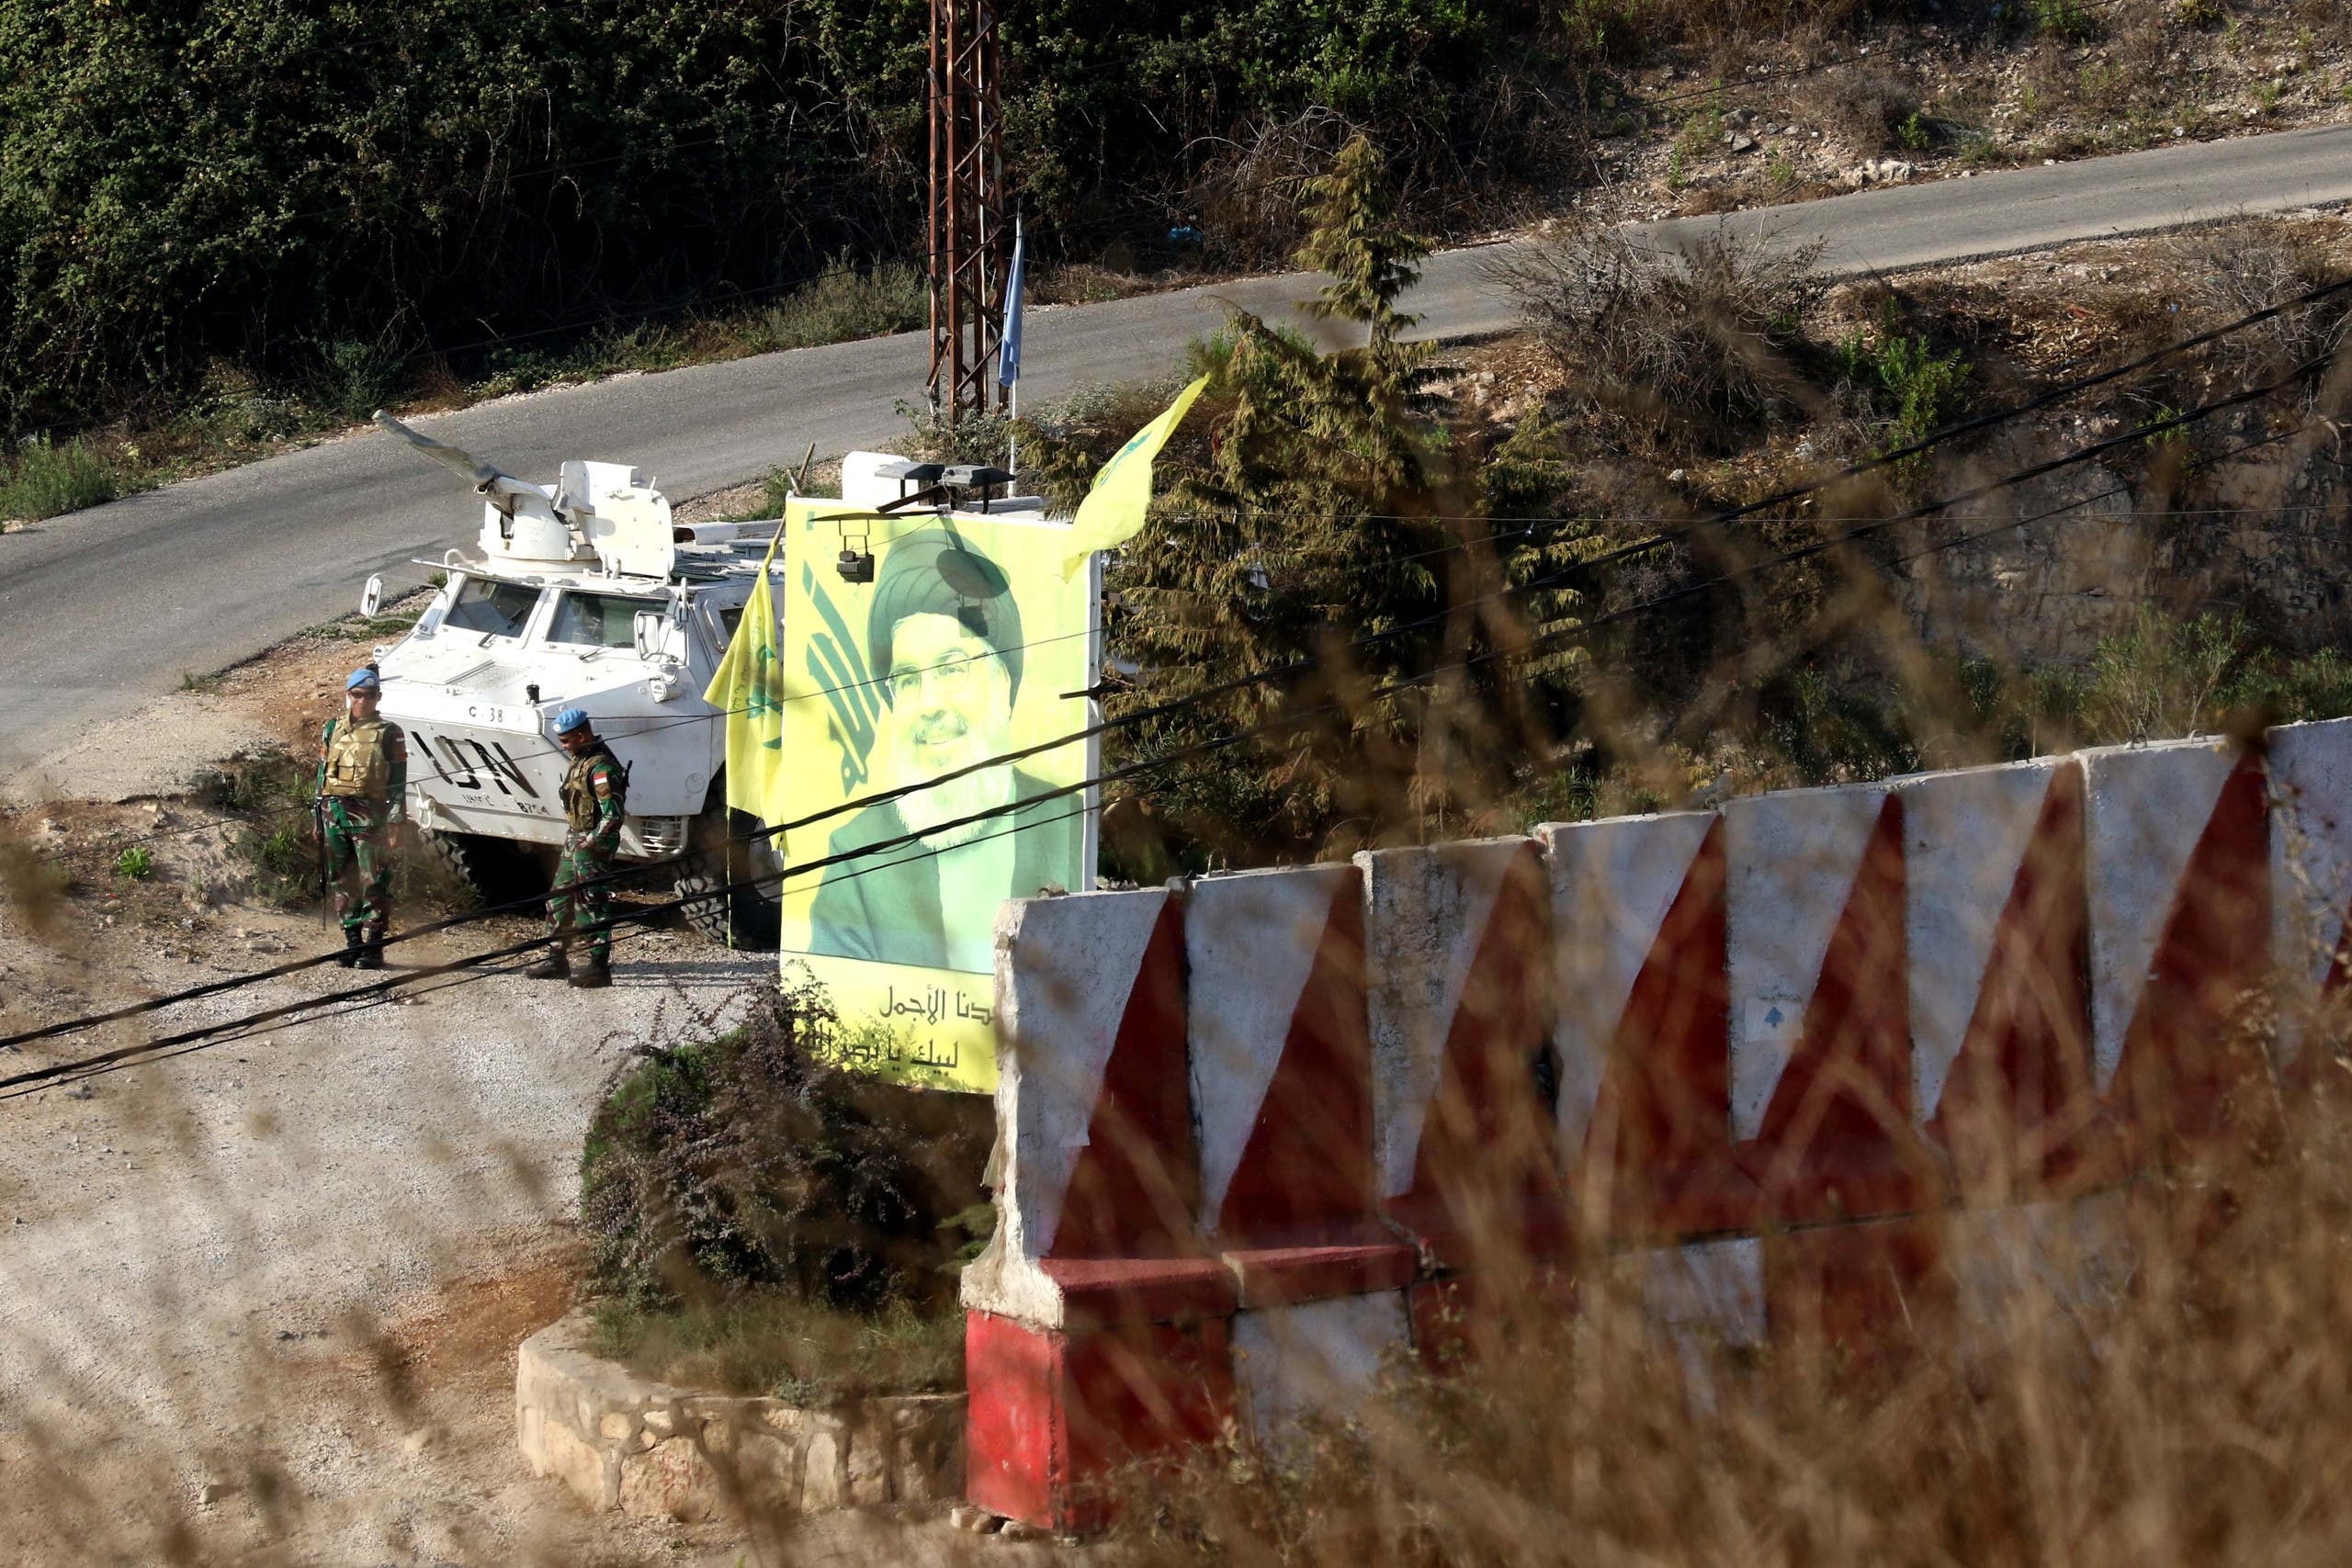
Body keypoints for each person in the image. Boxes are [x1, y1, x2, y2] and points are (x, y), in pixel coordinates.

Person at [808, 525, 1080, 971]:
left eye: (952, 670)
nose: (930, 704)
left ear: (1000, 684)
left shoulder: (1069, 826)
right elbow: (831, 1003)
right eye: (909, 679)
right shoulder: (857, 854)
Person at [527, 707, 628, 988]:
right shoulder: (579, 759)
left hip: (590, 842)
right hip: (576, 838)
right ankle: (557, 958)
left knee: (591, 903)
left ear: (582, 735)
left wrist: (591, 841)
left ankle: (598, 967)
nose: (563, 746)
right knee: (558, 898)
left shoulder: (601, 768)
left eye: (567, 740)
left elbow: (614, 815)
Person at [316, 667, 407, 970]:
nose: (363, 701)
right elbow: (322, 775)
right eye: (357, 695)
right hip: (335, 813)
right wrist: (318, 818)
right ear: (348, 695)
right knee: (342, 878)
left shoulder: (390, 733)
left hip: (370, 817)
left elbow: (397, 780)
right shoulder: (332, 728)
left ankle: (374, 946)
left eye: (370, 696)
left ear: (378, 698)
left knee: (374, 881)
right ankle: (353, 941)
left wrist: (395, 821)